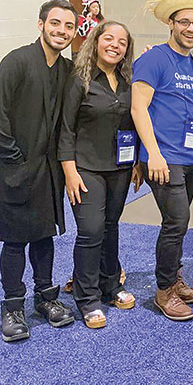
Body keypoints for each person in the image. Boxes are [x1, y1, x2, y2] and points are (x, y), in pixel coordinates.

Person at [0, 0, 77, 342]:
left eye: (68, 26)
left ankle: (46, 298)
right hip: (16, 168)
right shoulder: (18, 61)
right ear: (41, 25)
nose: (62, 31)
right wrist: (14, 161)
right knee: (14, 240)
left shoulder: (66, 70)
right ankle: (12, 306)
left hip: (49, 170)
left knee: (44, 234)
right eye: (55, 24)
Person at [132, 0, 193, 321]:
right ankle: (164, 289)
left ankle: (175, 274)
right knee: (176, 222)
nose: (191, 28)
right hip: (164, 159)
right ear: (171, 23)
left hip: (192, 157)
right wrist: (151, 154)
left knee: (178, 224)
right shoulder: (154, 59)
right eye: (184, 22)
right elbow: (139, 108)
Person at [58, 20, 141, 328]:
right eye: (109, 38)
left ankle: (110, 285)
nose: (115, 45)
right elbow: (65, 129)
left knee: (110, 226)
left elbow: (133, 123)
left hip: (120, 166)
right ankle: (87, 297)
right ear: (96, 40)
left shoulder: (127, 79)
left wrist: (137, 163)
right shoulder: (80, 79)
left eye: (122, 42)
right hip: (85, 167)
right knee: (91, 230)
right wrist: (69, 170)